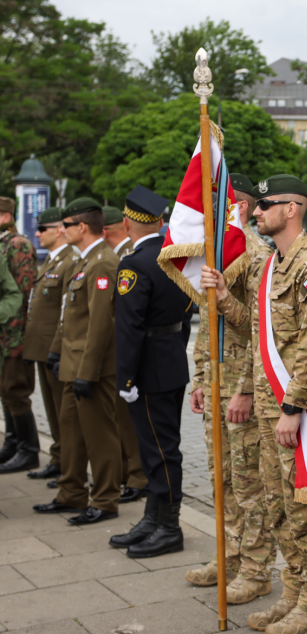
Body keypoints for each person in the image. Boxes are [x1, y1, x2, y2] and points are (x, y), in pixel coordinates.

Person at [201, 175, 307, 634]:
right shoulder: (269, 266)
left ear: (292, 209)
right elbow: (257, 335)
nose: (256, 213)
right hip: (266, 409)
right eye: (256, 206)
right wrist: (223, 299)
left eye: (266, 206)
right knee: (279, 509)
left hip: (292, 411)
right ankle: (295, 593)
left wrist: (294, 407)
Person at [185, 174, 278, 602]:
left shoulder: (253, 254)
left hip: (244, 388)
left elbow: (256, 329)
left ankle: (257, 568)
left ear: (237, 205)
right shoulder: (216, 252)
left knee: (247, 484)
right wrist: (202, 379)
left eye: (218, 204)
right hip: (217, 384)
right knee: (220, 479)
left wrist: (242, 389)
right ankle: (230, 556)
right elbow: (209, 327)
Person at [105, 187, 194, 556]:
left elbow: (128, 328)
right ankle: (153, 519)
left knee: (159, 452)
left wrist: (125, 378)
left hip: (147, 372)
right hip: (171, 362)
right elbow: (186, 314)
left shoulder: (135, 264)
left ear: (127, 223)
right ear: (160, 221)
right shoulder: (176, 258)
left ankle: (169, 528)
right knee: (160, 449)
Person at [33, 198, 121, 525]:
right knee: (70, 432)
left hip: (91, 367)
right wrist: (56, 351)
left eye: (66, 225)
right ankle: (71, 491)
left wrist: (88, 371)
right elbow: (69, 315)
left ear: (81, 227)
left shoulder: (102, 263)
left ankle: (105, 498)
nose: (61, 230)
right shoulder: (83, 261)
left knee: (99, 435)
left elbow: (101, 324)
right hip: (73, 363)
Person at [19, 208, 78, 479]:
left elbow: (66, 311)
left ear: (59, 230)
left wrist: (56, 348)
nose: (37, 233)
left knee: (62, 412)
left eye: (43, 229)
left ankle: (66, 463)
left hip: (57, 349)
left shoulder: (69, 261)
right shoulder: (53, 260)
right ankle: (58, 458)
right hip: (42, 348)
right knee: (53, 412)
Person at [101, 204, 147, 502]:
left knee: (129, 419)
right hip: (116, 349)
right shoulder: (120, 257)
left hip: (128, 351)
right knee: (117, 418)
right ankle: (125, 471)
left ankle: (137, 475)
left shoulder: (129, 258)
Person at [0, 196, 39, 475]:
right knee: (5, 389)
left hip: (16, 331)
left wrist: (17, 327)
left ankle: (29, 450)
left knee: (16, 389)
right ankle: (13, 442)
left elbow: (24, 291)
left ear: (5, 216)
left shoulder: (17, 244)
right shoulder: (4, 243)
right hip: (5, 330)